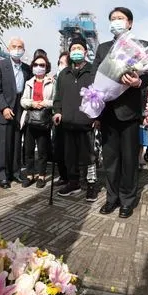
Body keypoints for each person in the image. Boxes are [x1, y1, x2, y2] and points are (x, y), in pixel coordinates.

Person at [93, 7, 148, 218]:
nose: (116, 22)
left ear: (130, 23)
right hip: (107, 113)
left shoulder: (140, 46)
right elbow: (95, 74)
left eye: (120, 18)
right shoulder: (103, 48)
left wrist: (138, 82)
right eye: (112, 19)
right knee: (110, 160)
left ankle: (127, 200)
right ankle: (112, 198)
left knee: (128, 160)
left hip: (129, 113)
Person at [53, 37, 99, 202]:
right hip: (67, 122)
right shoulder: (64, 74)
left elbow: (100, 96)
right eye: (73, 49)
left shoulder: (93, 71)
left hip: (86, 122)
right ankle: (73, 183)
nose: (76, 51)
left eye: (79, 48)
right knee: (70, 156)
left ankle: (91, 185)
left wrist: (97, 117)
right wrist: (57, 111)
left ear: (86, 51)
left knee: (89, 157)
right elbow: (58, 96)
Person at [0, 37, 32, 188]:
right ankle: (2, 175)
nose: (17, 49)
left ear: (24, 50)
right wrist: (4, 107)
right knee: (2, 145)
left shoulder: (27, 69)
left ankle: (15, 172)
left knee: (15, 143)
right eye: (14, 46)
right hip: (4, 110)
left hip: (19, 110)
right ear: (8, 49)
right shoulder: (0, 66)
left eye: (20, 47)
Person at [21, 53, 54, 188]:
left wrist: (45, 103)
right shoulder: (29, 82)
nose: (39, 67)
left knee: (42, 150)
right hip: (30, 119)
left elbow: (56, 101)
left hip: (44, 120)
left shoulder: (52, 83)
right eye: (36, 65)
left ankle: (41, 175)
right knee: (28, 149)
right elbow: (22, 101)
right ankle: (30, 175)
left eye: (42, 65)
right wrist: (32, 103)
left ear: (46, 67)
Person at [52, 51, 70, 186]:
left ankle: (73, 177)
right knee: (58, 148)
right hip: (56, 118)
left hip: (70, 118)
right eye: (59, 63)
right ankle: (63, 175)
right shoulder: (54, 79)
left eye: (64, 63)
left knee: (70, 149)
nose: (61, 66)